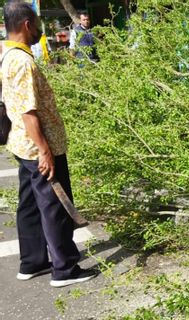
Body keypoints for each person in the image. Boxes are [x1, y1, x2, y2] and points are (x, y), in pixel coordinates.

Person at [2, 1, 97, 287]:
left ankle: (32, 262)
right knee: (53, 206)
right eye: (37, 24)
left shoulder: (6, 55)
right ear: (27, 24)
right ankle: (65, 269)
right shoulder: (22, 61)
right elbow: (28, 111)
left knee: (29, 205)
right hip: (39, 147)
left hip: (21, 144)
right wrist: (45, 151)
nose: (41, 30)